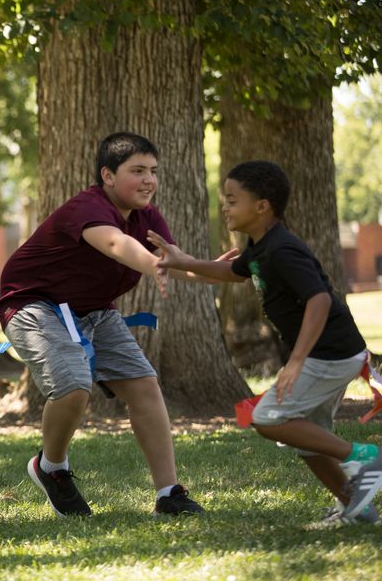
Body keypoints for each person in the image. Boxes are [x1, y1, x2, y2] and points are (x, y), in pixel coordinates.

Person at [149, 160, 380, 525]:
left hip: (328, 354)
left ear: (262, 205)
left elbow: (319, 299)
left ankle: (364, 456)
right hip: (334, 353)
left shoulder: (282, 250)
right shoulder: (260, 247)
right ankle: (358, 508)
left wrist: (297, 361)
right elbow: (230, 272)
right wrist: (177, 262)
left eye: (232, 199)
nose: (224, 206)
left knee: (267, 418)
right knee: (308, 439)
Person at [0, 132, 208, 519]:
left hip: (93, 310)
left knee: (144, 385)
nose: (148, 180)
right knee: (73, 385)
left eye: (153, 171)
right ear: (108, 176)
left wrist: (229, 272)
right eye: (137, 171)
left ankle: (169, 493)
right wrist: (153, 263)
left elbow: (175, 260)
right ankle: (52, 467)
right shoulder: (87, 207)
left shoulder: (147, 216)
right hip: (33, 304)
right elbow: (114, 244)